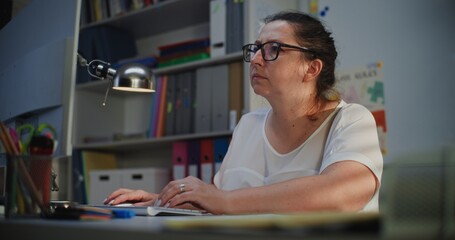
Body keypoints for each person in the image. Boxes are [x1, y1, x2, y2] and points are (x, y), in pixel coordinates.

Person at [104, 11, 383, 214]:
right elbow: (218, 201)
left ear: (312, 68)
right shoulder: (249, 125)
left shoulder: (351, 120)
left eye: (274, 49)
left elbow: (341, 195)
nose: (257, 59)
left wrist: (223, 201)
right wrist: (161, 200)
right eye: (256, 49)